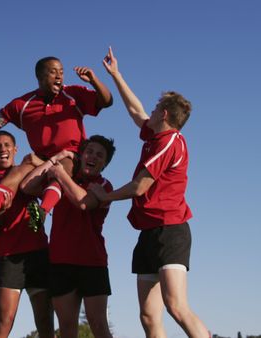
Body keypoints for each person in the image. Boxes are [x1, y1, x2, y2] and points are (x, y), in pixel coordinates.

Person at [90, 47, 210, 338]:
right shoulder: (156, 137)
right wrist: (116, 75)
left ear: (165, 114)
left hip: (170, 230)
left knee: (176, 306)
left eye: (156, 108)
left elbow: (140, 185)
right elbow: (135, 111)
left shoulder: (170, 142)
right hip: (148, 232)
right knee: (148, 314)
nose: (151, 111)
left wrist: (105, 197)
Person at [0, 56, 113, 232]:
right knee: (18, 170)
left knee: (61, 168)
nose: (59, 77)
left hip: (71, 156)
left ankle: (42, 211)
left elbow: (106, 101)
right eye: (53, 72)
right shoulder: (23, 105)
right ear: (40, 77)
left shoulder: (73, 94)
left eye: (61, 72)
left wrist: (94, 80)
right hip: (40, 159)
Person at [21, 135, 116, 338]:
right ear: (80, 155)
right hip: (61, 261)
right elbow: (27, 186)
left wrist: (61, 175)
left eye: (100, 155)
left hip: (93, 262)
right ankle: (42, 212)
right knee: (66, 327)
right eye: (89, 151)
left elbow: (83, 203)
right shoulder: (58, 184)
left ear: (105, 164)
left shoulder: (104, 186)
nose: (93, 157)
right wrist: (57, 158)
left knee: (99, 325)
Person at [0, 130, 55, 338]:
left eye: (6, 145)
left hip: (38, 253)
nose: (2, 149)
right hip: (9, 258)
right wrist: (1, 212)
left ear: (15, 149)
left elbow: (52, 168)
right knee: (4, 323)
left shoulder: (29, 172)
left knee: (46, 322)